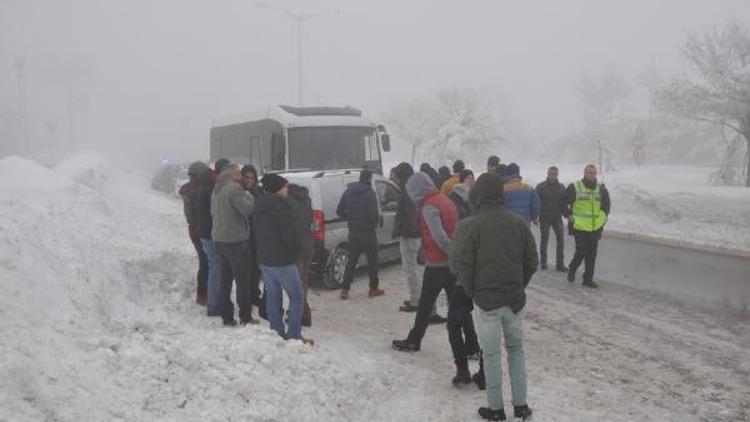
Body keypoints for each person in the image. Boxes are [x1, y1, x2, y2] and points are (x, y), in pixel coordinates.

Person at [451, 171, 538, 421]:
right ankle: (521, 406)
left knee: (490, 355)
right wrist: (519, 284)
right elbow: (532, 260)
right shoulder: (519, 223)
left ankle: (496, 409)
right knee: (516, 351)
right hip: (514, 301)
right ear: (501, 194)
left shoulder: (469, 226)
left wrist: (472, 290)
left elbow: (460, 264)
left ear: (477, 195)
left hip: (486, 302)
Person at [392, 173, 475, 386]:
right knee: (459, 308)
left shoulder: (429, 206)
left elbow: (439, 236)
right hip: (452, 266)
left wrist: (451, 252)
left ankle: (414, 340)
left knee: (425, 304)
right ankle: (473, 345)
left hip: (438, 264)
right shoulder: (444, 200)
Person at [254, 174, 313, 344]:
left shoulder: (260, 204)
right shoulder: (280, 208)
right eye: (286, 187)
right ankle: (294, 335)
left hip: (264, 259)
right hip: (282, 261)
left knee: (273, 296)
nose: (288, 190)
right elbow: (289, 236)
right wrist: (296, 251)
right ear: (278, 188)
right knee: (297, 297)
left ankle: (277, 332)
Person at [211, 164, 257, 326]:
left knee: (225, 281)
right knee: (243, 281)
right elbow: (247, 209)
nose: (241, 177)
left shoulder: (217, 189)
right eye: (238, 173)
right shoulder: (235, 189)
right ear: (231, 175)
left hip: (220, 240)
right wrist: (249, 195)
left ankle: (227, 316)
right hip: (236, 241)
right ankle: (245, 317)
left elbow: (213, 212)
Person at [336, 170, 385, 300]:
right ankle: (373, 289)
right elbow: (373, 215)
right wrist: (372, 224)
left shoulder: (348, 192)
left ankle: (344, 289)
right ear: (369, 179)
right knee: (372, 262)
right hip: (368, 233)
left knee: (351, 262)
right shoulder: (370, 193)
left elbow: (339, 211)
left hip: (353, 233)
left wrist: (351, 218)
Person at [560, 164, 611, 288]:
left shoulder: (601, 189)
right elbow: (561, 202)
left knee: (592, 254)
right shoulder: (575, 187)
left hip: (595, 228)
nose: (591, 175)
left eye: (594, 173)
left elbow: (606, 207)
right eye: (589, 172)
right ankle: (572, 269)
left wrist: (601, 221)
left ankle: (587, 279)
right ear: (584, 173)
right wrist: (568, 215)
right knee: (581, 251)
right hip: (579, 226)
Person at [392, 163, 423, 312]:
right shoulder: (414, 187)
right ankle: (416, 297)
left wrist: (405, 230)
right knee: (414, 269)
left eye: (397, 176)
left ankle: (416, 300)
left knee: (411, 269)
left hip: (410, 235)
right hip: (414, 234)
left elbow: (410, 215)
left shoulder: (407, 190)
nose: (396, 179)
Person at [179, 161, 210, 306]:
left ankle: (203, 294)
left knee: (204, 262)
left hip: (194, 230)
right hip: (200, 230)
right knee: (205, 263)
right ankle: (203, 295)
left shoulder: (189, 190)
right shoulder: (196, 191)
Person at [196, 161, 221, 316]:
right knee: (215, 267)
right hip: (210, 233)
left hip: (203, 232)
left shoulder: (201, 189)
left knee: (209, 265)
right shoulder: (212, 190)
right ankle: (213, 305)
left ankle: (209, 300)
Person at [288, 183, 314, 327]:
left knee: (296, 281)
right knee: (303, 279)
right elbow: (309, 219)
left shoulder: (288, 201)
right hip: (307, 245)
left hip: (296, 246)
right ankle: (303, 311)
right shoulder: (307, 198)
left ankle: (302, 313)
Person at [535, 166, 568, 272]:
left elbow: (564, 203)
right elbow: (535, 202)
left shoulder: (561, 187)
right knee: (544, 239)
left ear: (557, 175)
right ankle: (543, 262)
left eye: (555, 174)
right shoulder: (540, 187)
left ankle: (560, 264)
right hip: (544, 217)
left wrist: (567, 214)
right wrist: (535, 216)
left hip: (557, 217)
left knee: (561, 240)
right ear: (547, 174)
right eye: (551, 174)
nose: (553, 176)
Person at [240, 165, 263, 313]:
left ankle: (255, 295)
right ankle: (246, 297)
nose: (249, 180)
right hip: (243, 236)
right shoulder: (238, 192)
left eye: (252, 178)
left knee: (256, 268)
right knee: (245, 270)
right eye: (246, 177)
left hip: (257, 235)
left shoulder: (259, 192)